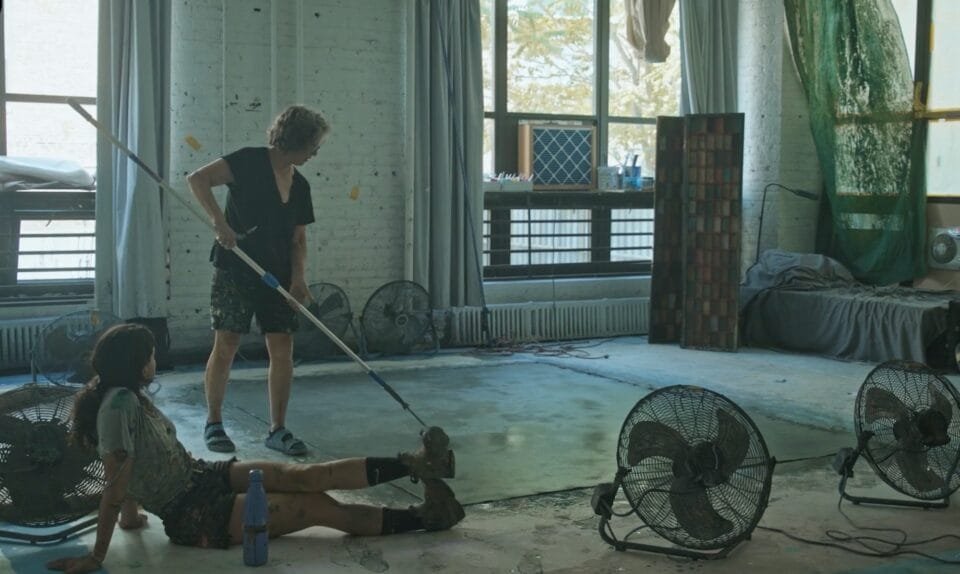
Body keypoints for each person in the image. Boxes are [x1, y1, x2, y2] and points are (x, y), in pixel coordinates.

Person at [47, 324, 462, 574]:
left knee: (303, 475)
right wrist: (97, 555)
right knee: (316, 505)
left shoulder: (128, 396)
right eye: (152, 355)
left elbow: (131, 473)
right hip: (193, 513)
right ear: (137, 363)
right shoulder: (117, 407)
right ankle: (424, 518)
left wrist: (133, 518)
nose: (156, 361)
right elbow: (116, 483)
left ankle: (421, 464)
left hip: (200, 475)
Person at [187, 105, 329, 455]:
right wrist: (220, 223)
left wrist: (298, 278)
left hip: (276, 276)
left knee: (282, 349)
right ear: (295, 141)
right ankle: (214, 422)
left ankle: (277, 429)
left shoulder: (301, 186)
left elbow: (298, 239)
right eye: (313, 145)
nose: (315, 153)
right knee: (228, 343)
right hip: (236, 266)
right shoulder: (248, 161)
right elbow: (198, 179)